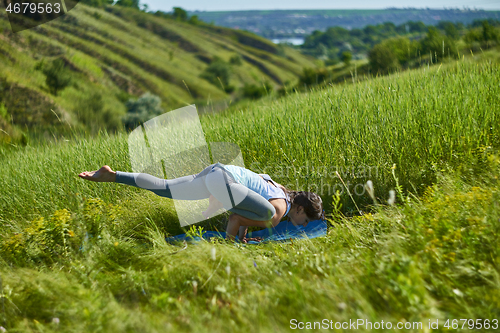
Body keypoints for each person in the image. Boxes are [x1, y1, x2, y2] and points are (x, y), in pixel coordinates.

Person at [78, 162, 324, 241]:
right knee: (266, 215)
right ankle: (218, 197)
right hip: (224, 181)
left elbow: (246, 208)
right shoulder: (277, 212)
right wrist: (233, 246)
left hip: (219, 172)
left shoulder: (280, 191)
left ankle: (113, 175)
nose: (302, 225)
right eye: (306, 220)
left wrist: (243, 237)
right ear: (299, 209)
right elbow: (237, 218)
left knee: (165, 188)